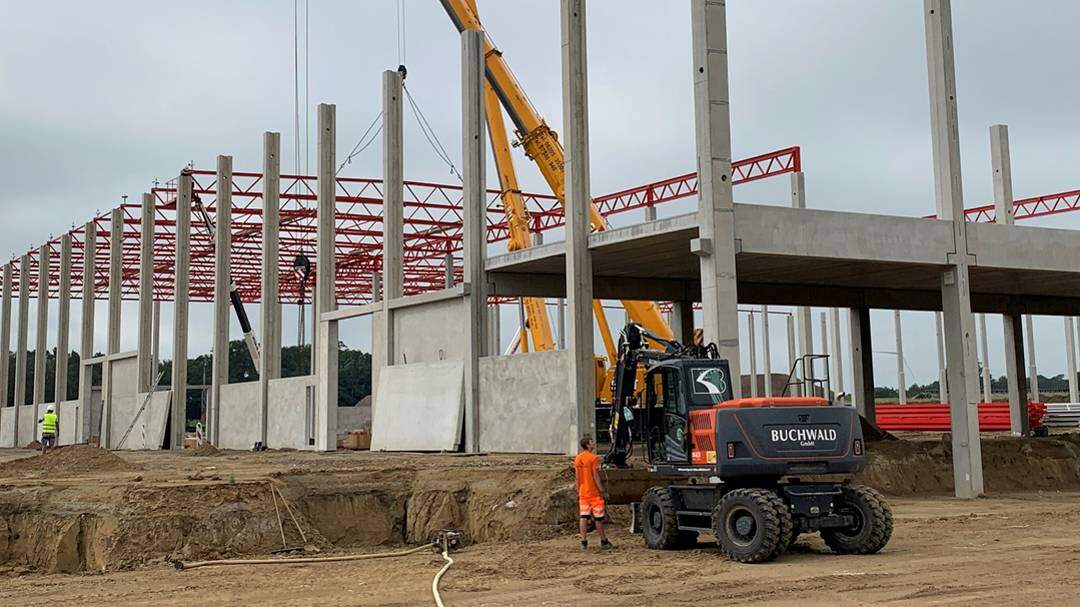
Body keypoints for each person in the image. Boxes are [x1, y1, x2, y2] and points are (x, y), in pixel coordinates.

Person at [574, 435, 613, 551]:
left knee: (583, 516)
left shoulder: (577, 458)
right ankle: (603, 541)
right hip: (594, 494)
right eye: (591, 442)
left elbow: (577, 477)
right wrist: (602, 490)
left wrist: (578, 490)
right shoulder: (594, 458)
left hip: (583, 492)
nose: (593, 443)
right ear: (587, 444)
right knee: (598, 518)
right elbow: (595, 476)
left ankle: (583, 542)